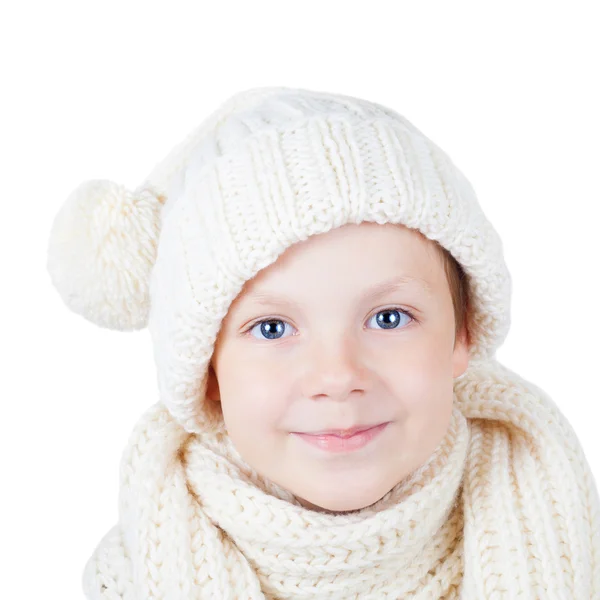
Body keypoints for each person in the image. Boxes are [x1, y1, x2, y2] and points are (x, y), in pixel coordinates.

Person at [47, 86, 600, 598]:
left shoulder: (554, 518)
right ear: (208, 372)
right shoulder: (136, 576)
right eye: (272, 329)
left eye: (388, 318)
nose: (337, 376)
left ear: (464, 333)